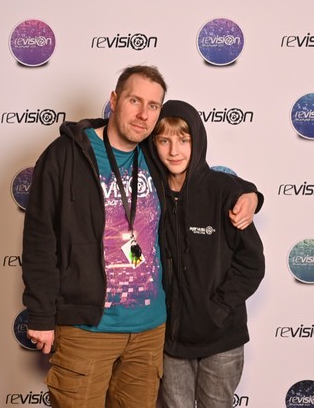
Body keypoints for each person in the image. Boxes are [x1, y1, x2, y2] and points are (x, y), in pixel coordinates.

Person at [21, 65, 261, 407]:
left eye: (153, 105)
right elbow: (40, 239)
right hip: (89, 329)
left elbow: (204, 179)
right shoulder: (66, 156)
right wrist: (41, 314)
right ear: (114, 100)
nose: (143, 114)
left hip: (150, 333)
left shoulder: (152, 155)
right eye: (135, 100)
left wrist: (251, 194)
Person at [151, 100, 266, 408]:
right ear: (154, 143)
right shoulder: (149, 193)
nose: (174, 151)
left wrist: (218, 309)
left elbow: (251, 264)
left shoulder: (224, 191)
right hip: (170, 341)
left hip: (221, 340)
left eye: (183, 140)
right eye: (164, 141)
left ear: (198, 141)